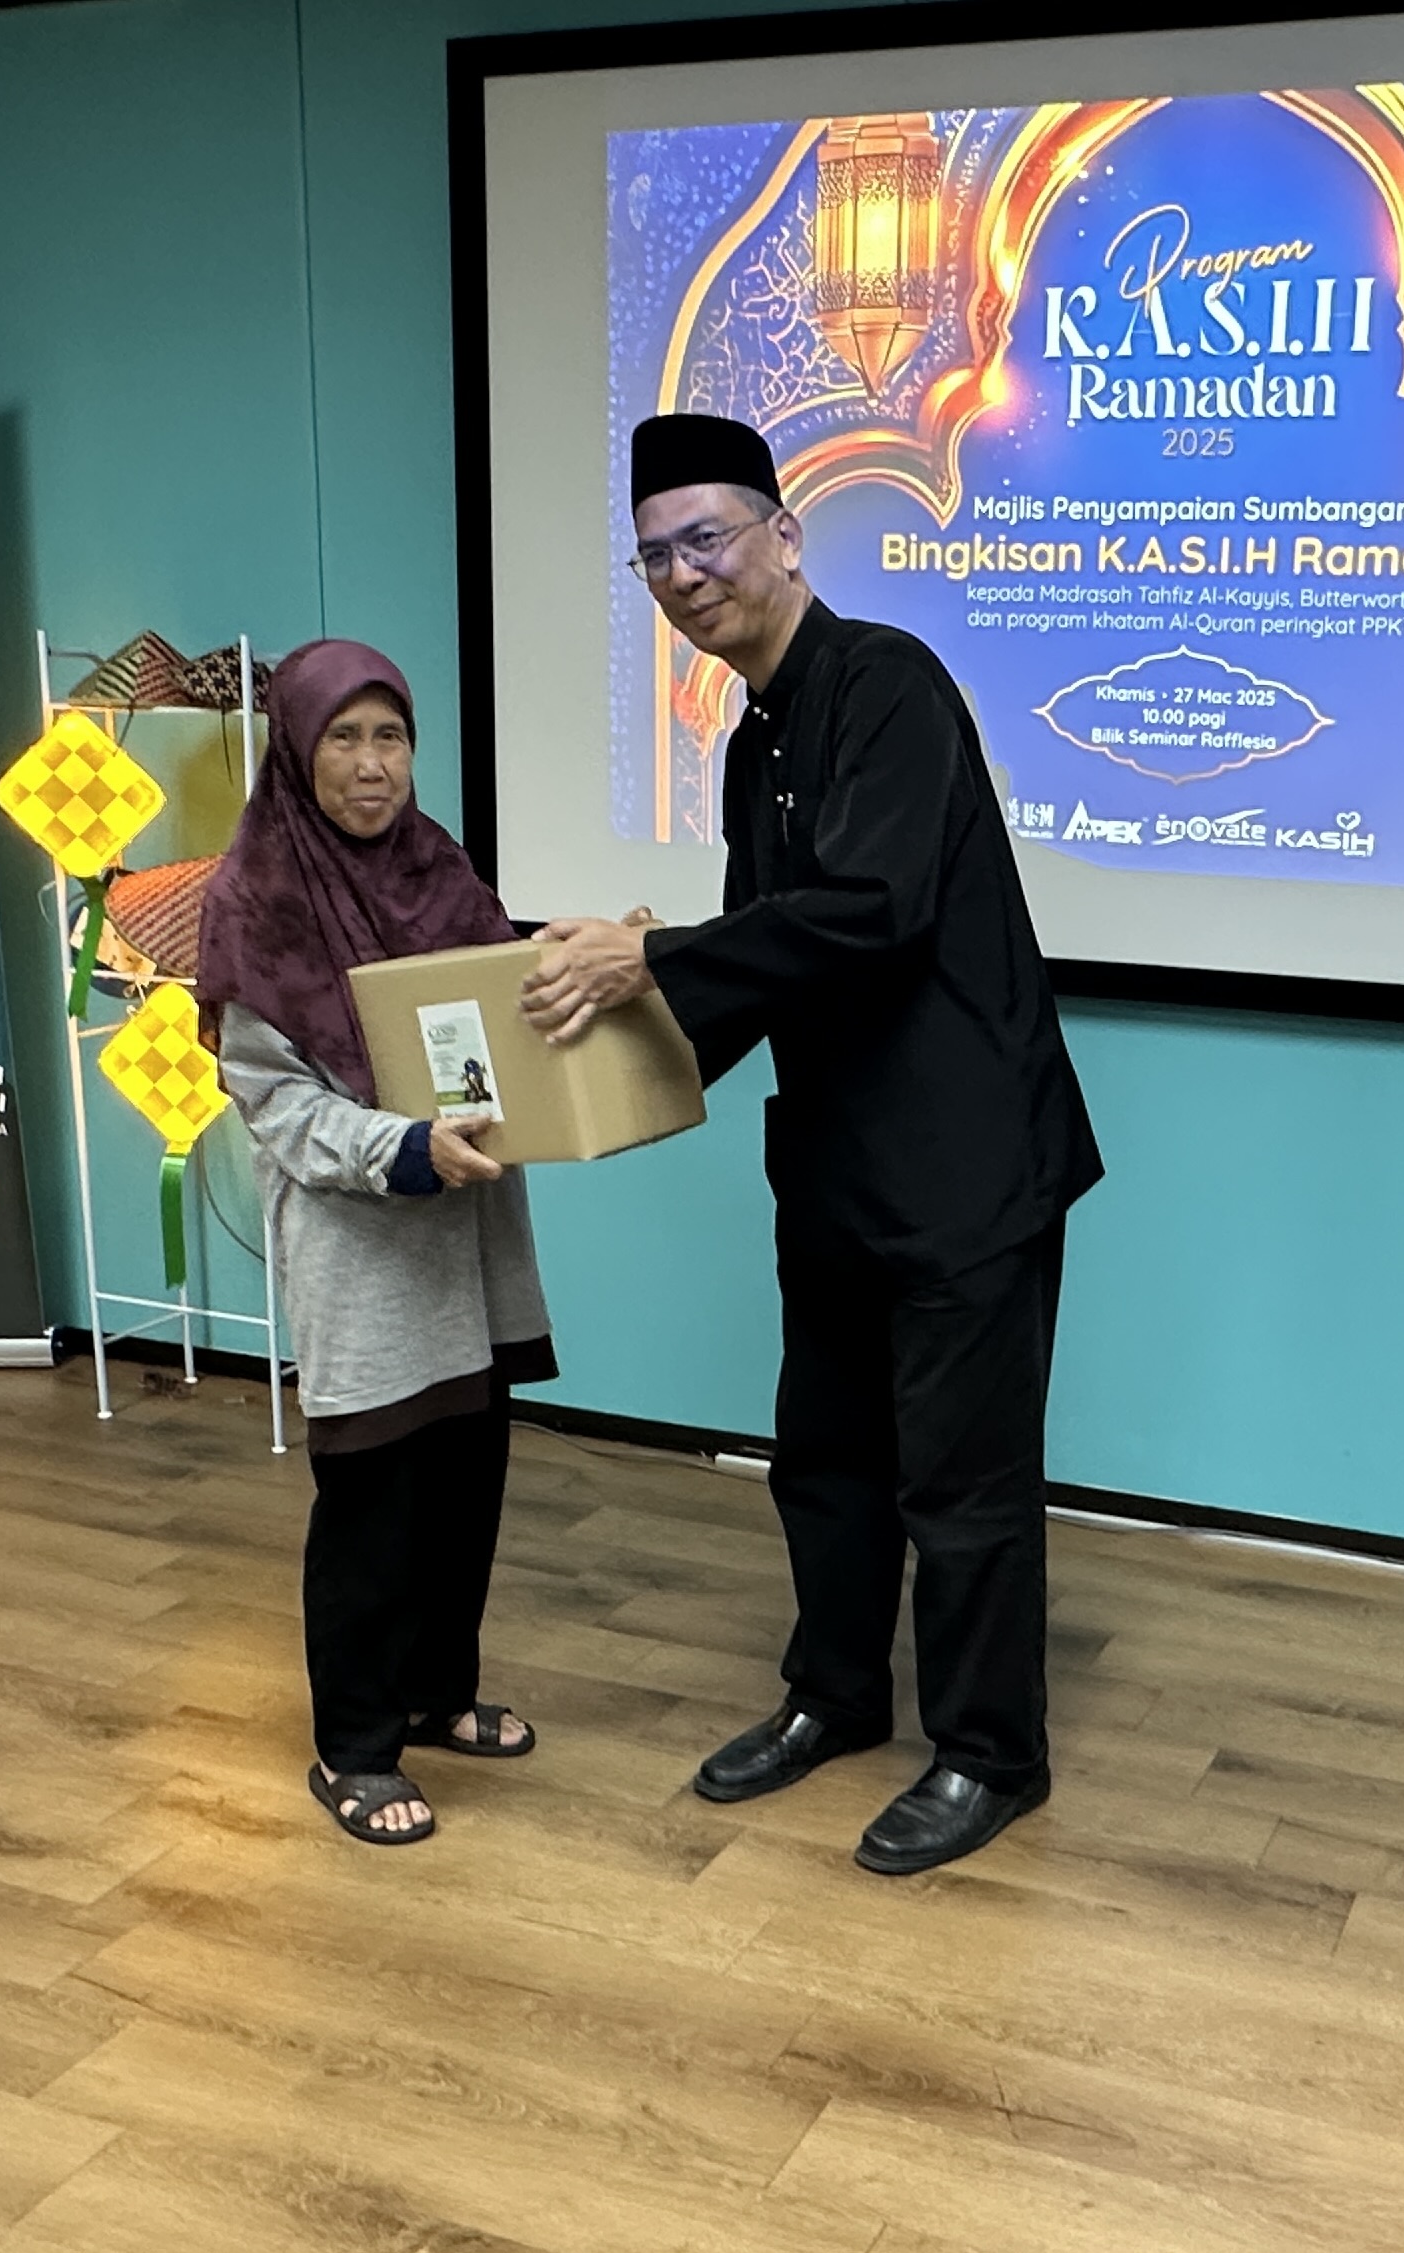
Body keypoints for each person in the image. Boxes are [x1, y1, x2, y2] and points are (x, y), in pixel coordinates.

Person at [521, 412, 1100, 1876]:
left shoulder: (887, 682)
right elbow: (775, 961)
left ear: (785, 536)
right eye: (654, 557)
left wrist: (656, 963)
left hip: (966, 1166)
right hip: (838, 1163)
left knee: (962, 1484)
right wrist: (613, 1057)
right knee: (825, 1460)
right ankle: (833, 1696)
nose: (683, 575)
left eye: (706, 539)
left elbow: (873, 912)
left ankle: (991, 1754)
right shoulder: (753, 736)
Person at [198, 638, 555, 1847]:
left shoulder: (437, 867)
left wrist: (585, 979)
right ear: (297, 753)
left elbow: (503, 1020)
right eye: (343, 738)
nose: (371, 765)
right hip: (362, 1251)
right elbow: (279, 1107)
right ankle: (353, 1746)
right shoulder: (255, 901)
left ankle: (437, 1694)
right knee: (373, 1503)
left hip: (470, 1236)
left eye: (390, 736)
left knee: (463, 1482)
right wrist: (403, 1149)